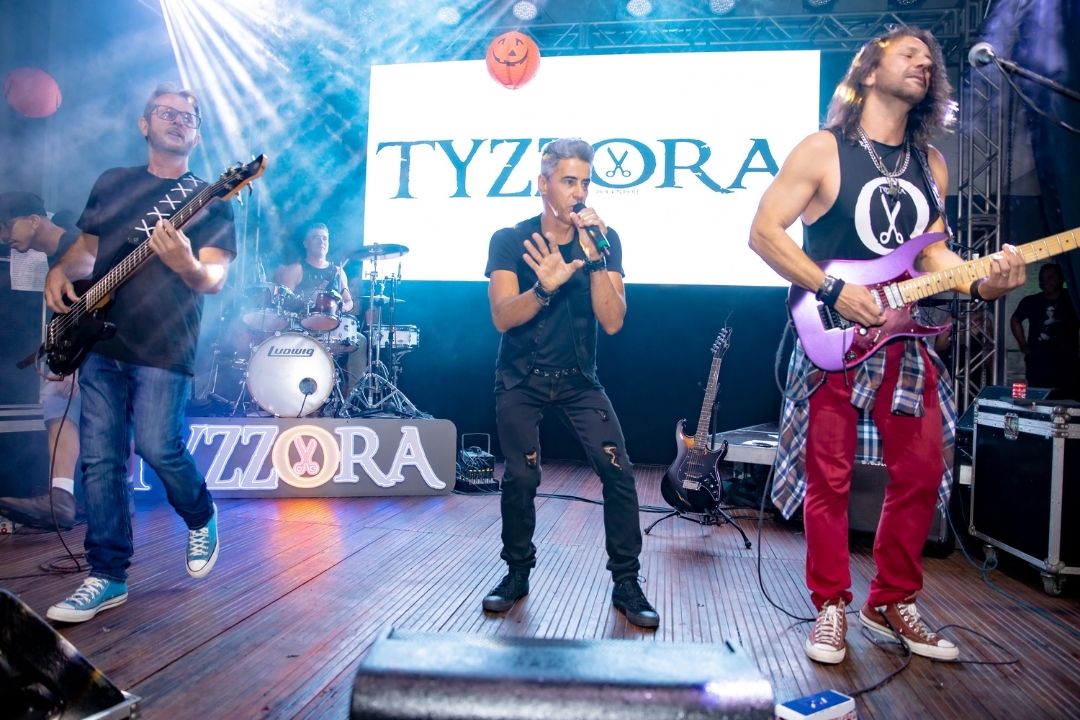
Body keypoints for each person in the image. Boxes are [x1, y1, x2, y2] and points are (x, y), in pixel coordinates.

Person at [748, 27, 1026, 664]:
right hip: (835, 337)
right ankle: (830, 604)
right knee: (830, 477)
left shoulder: (931, 164)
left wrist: (983, 280)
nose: (924, 63)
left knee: (924, 470)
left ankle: (891, 601)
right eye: (909, 54)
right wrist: (831, 287)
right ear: (870, 70)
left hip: (904, 338)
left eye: (930, 59)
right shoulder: (823, 149)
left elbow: (931, 255)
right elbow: (764, 232)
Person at [42, 83, 237, 623]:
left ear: (197, 135)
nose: (178, 121)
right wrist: (60, 270)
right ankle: (107, 574)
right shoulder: (113, 183)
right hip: (100, 341)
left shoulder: (211, 200)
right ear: (144, 123)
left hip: (164, 344)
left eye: (188, 117)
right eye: (166, 113)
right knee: (101, 460)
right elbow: (86, 251)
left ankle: (200, 513)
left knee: (157, 446)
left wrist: (186, 264)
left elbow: (214, 277)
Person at [482, 138, 659, 629]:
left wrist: (597, 258)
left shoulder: (603, 239)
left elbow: (613, 321)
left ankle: (626, 581)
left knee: (619, 472)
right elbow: (502, 317)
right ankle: (517, 572)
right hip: (522, 378)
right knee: (521, 476)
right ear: (543, 185)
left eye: (585, 182)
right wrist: (544, 287)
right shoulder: (510, 239)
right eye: (568, 181)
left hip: (579, 380)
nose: (579, 192)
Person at [0, 192, 80, 528]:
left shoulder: (75, 248)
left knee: (70, 410)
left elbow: (91, 307)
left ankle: (67, 499)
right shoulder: (57, 254)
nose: (4, 236)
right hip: (75, 352)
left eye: (7, 226)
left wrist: (73, 365)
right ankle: (61, 498)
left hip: (98, 351)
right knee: (58, 409)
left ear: (33, 220)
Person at [1010, 263, 1079, 397]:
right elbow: (1015, 320)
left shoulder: (1072, 299)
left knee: (1068, 401)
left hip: (1067, 364)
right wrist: (1024, 347)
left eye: (1050, 278)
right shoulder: (1031, 301)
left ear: (1061, 279)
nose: (1045, 282)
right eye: (1042, 278)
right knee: (1038, 400)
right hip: (1038, 364)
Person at [273, 222, 354, 317]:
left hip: (332, 324)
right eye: (316, 238)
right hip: (302, 324)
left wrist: (341, 308)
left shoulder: (338, 271)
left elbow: (349, 301)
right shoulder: (296, 269)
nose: (321, 241)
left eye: (325, 238)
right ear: (306, 243)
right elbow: (282, 302)